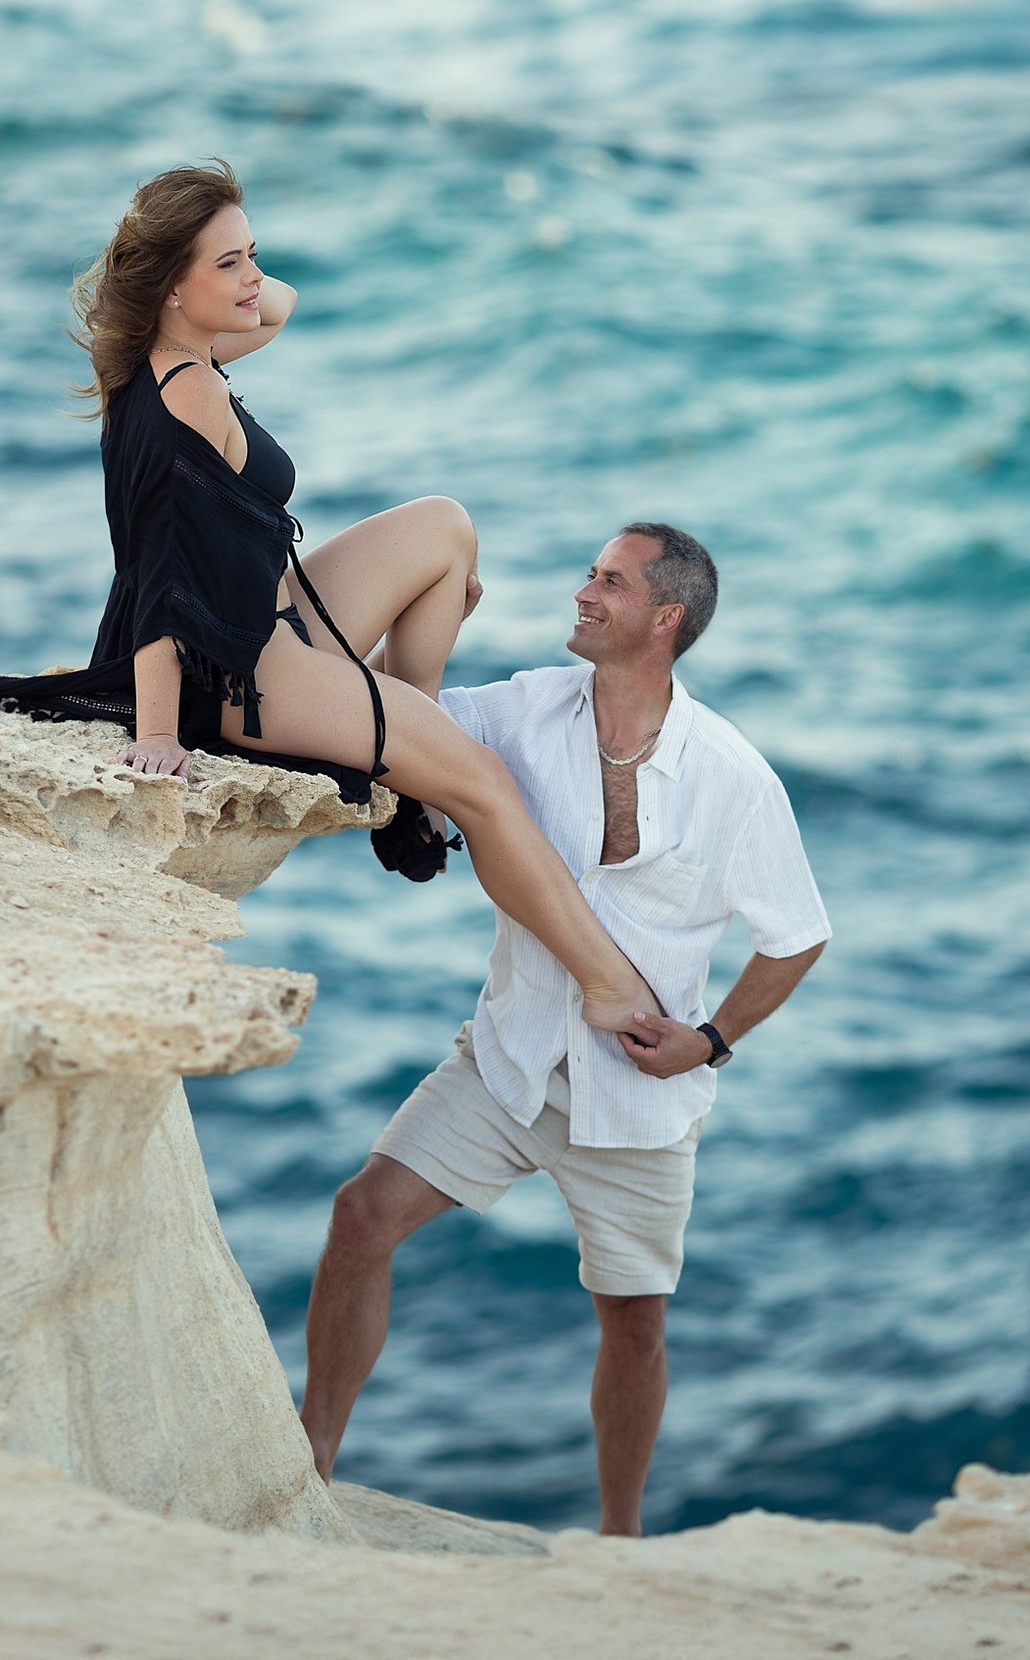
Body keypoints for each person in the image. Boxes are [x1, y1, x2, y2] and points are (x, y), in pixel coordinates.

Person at [0, 161, 662, 1035]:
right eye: (229, 265)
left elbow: (278, 306)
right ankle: (605, 981)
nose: (255, 280)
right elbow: (160, 580)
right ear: (173, 286)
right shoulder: (194, 393)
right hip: (244, 672)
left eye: (254, 255)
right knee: (488, 784)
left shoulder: (166, 358)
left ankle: (407, 745)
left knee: (445, 529)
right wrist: (161, 735)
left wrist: (224, 262)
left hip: (266, 612)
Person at [298, 523, 828, 1538]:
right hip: (508, 1054)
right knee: (361, 1216)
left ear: (664, 619)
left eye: (609, 581)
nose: (582, 591)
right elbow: (374, 713)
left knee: (634, 1321)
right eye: (589, 572)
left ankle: (619, 1541)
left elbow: (796, 936)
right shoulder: (520, 709)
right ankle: (311, 1464)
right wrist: (427, 605)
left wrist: (710, 1039)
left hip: (642, 1091)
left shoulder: (733, 775)